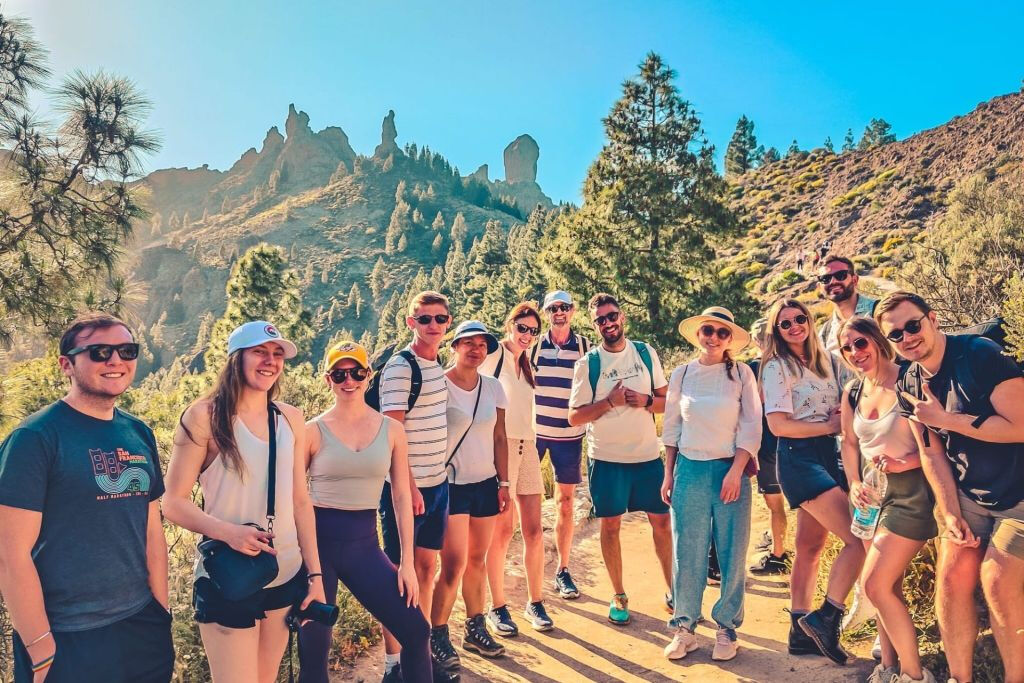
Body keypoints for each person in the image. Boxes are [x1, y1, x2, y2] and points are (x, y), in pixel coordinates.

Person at [0, 312, 173, 683]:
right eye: (98, 352)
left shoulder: (137, 432)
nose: (116, 361)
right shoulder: (34, 439)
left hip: (141, 627)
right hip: (67, 636)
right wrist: (41, 648)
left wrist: (161, 613)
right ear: (67, 364)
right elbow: (10, 555)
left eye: (127, 350)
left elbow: (151, 531)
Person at [163, 321, 324, 683]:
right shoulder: (205, 416)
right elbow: (172, 502)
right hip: (229, 578)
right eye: (260, 352)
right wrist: (228, 533)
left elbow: (300, 501)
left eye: (277, 354)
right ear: (236, 358)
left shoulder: (290, 418)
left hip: (284, 574)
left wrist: (314, 576)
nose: (270, 361)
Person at [876, 291, 1024, 683]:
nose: (908, 337)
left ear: (934, 319)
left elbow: (1022, 425)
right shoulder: (908, 380)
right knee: (953, 573)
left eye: (913, 325)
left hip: (1020, 495)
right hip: (970, 495)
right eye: (896, 334)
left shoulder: (980, 356)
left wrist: (949, 419)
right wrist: (949, 512)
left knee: (996, 579)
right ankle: (961, 679)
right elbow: (931, 453)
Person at [298, 341, 430, 683]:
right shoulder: (312, 431)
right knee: (314, 651)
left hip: (364, 546)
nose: (349, 380)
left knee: (416, 630)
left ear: (368, 376)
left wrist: (407, 565)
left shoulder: (391, 430)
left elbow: (401, 495)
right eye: (339, 373)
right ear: (328, 379)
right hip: (317, 548)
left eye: (356, 371)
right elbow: (294, 498)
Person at [759, 298, 864, 665]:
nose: (794, 327)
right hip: (797, 457)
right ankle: (827, 617)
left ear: (808, 320)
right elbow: (778, 425)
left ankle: (798, 632)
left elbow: (851, 397)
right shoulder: (776, 367)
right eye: (784, 324)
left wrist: (841, 414)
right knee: (859, 538)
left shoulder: (829, 362)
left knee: (809, 547)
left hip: (827, 454)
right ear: (777, 330)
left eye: (799, 319)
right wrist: (829, 425)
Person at [837, 317, 939, 683]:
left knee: (874, 584)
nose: (854, 353)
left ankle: (915, 676)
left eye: (860, 343)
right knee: (885, 587)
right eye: (847, 348)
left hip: (911, 494)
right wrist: (851, 483)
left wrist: (905, 462)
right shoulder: (853, 390)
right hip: (869, 496)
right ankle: (888, 667)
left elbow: (937, 443)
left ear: (878, 340)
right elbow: (849, 441)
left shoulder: (909, 379)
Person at [661, 307, 762, 662]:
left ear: (729, 339)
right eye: (708, 330)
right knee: (686, 548)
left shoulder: (742, 375)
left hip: (728, 468)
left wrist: (736, 471)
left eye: (722, 333)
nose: (713, 338)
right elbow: (672, 427)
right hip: (689, 467)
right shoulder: (683, 374)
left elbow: (751, 425)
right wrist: (668, 472)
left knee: (732, 549)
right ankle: (684, 627)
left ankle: (727, 628)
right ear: (698, 333)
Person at [568, 293, 672, 626]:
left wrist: (644, 401)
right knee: (610, 526)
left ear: (622, 316)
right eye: (601, 319)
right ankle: (619, 595)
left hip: (646, 456)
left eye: (612, 316)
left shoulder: (645, 352)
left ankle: (674, 589)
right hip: (606, 460)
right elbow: (575, 417)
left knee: (662, 523)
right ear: (594, 324)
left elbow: (665, 402)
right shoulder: (588, 364)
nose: (608, 323)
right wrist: (610, 402)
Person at [376, 291, 456, 682]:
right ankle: (394, 665)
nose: (434, 326)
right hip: (405, 491)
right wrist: (409, 486)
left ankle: (418, 655)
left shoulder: (436, 365)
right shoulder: (401, 368)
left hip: (437, 484)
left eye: (441, 319)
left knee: (425, 569)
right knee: (398, 577)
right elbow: (393, 431)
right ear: (410, 322)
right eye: (425, 319)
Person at [430, 321, 511, 672]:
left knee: (478, 559)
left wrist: (504, 483)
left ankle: (474, 627)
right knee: (453, 564)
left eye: (482, 344)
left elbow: (500, 437)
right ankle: (437, 633)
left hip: (485, 484)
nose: (476, 349)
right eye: (468, 343)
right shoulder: (438, 386)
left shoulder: (493, 388)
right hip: (451, 485)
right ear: (455, 346)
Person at [481, 303, 554, 636]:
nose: (527, 335)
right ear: (509, 325)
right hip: (502, 448)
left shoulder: (527, 363)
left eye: (533, 331)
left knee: (535, 531)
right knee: (502, 531)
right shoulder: (494, 356)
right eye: (522, 328)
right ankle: (496, 606)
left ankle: (535, 601)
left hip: (528, 447)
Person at [531, 290, 591, 600]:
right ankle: (525, 568)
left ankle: (562, 569)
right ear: (546, 313)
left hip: (570, 437)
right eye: (553, 308)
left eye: (564, 307)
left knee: (565, 503)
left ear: (573, 310)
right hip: (535, 434)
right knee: (523, 502)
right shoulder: (534, 347)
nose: (559, 312)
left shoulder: (584, 348)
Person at [746, 317, 790, 576]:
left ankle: (779, 553)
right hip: (793, 439)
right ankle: (781, 548)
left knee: (775, 504)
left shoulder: (754, 368)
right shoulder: (793, 364)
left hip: (766, 443)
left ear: (755, 340)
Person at [817, 255, 879, 356]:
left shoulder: (879, 312)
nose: (833, 281)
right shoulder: (825, 334)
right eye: (825, 279)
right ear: (820, 287)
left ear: (855, 280)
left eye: (841, 275)